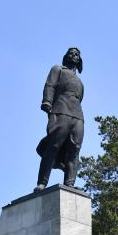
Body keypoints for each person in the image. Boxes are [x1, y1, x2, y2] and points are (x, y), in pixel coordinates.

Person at [35, 47, 84, 191]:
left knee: (74, 148)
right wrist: (47, 101)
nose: (74, 55)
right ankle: (42, 182)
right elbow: (50, 85)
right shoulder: (58, 69)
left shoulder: (80, 82)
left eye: (77, 54)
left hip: (77, 115)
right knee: (53, 145)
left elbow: (80, 98)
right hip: (61, 110)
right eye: (71, 53)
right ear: (66, 56)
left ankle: (70, 184)